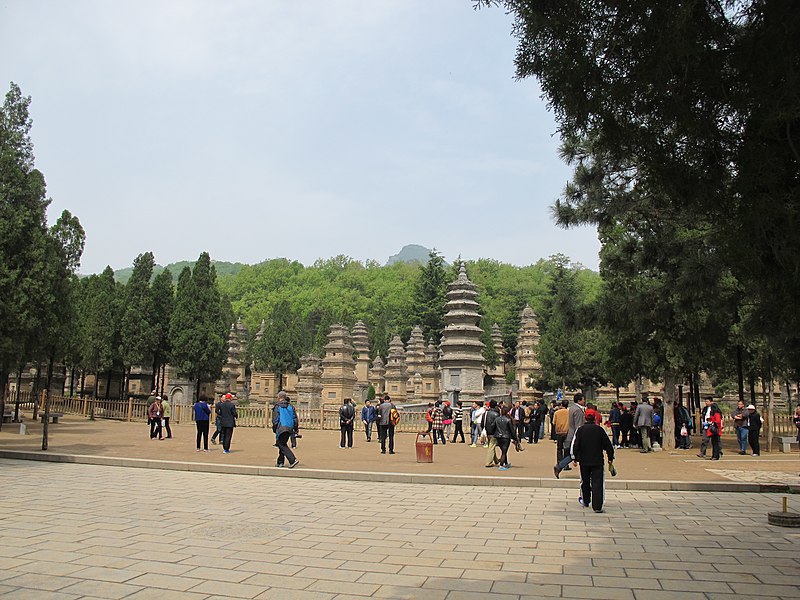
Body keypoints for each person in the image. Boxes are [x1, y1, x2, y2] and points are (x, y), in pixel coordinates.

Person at [571, 412, 615, 513]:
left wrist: (575, 458)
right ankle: (597, 506)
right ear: (594, 418)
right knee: (597, 483)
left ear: (585, 418)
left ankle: (586, 500)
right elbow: (608, 445)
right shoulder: (599, 430)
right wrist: (610, 457)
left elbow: (576, 445)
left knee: (585, 481)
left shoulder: (580, 430)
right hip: (597, 460)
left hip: (584, 460)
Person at [553, 393, 586, 477]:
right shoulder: (578, 410)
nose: (584, 401)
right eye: (583, 399)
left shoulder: (572, 408)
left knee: (572, 455)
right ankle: (560, 466)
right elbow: (579, 426)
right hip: (575, 435)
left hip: (570, 434)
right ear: (579, 400)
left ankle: (560, 466)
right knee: (576, 455)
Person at [272, 391, 299, 468]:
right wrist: (296, 429)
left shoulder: (277, 406)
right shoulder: (291, 406)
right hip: (289, 428)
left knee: (281, 444)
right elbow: (295, 418)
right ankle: (280, 462)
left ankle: (293, 460)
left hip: (281, 427)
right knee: (282, 443)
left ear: (279, 397)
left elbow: (275, 419)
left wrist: (274, 428)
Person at [493, 405, 519, 471]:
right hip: (506, 437)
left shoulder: (497, 419)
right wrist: (515, 438)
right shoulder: (508, 420)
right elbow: (512, 430)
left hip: (498, 436)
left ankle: (506, 462)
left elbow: (492, 426)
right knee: (504, 451)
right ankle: (501, 464)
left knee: (503, 450)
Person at [482, 400, 500, 468]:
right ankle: (488, 462)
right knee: (491, 447)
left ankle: (496, 460)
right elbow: (497, 424)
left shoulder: (486, 413)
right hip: (494, 432)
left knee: (491, 446)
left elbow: (482, 423)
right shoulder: (496, 414)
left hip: (488, 432)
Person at [552, 399, 570, 469]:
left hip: (559, 432)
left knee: (559, 448)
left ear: (562, 405)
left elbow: (554, 422)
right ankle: (565, 464)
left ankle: (559, 462)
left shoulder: (557, 412)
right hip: (567, 432)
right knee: (566, 449)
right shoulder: (569, 412)